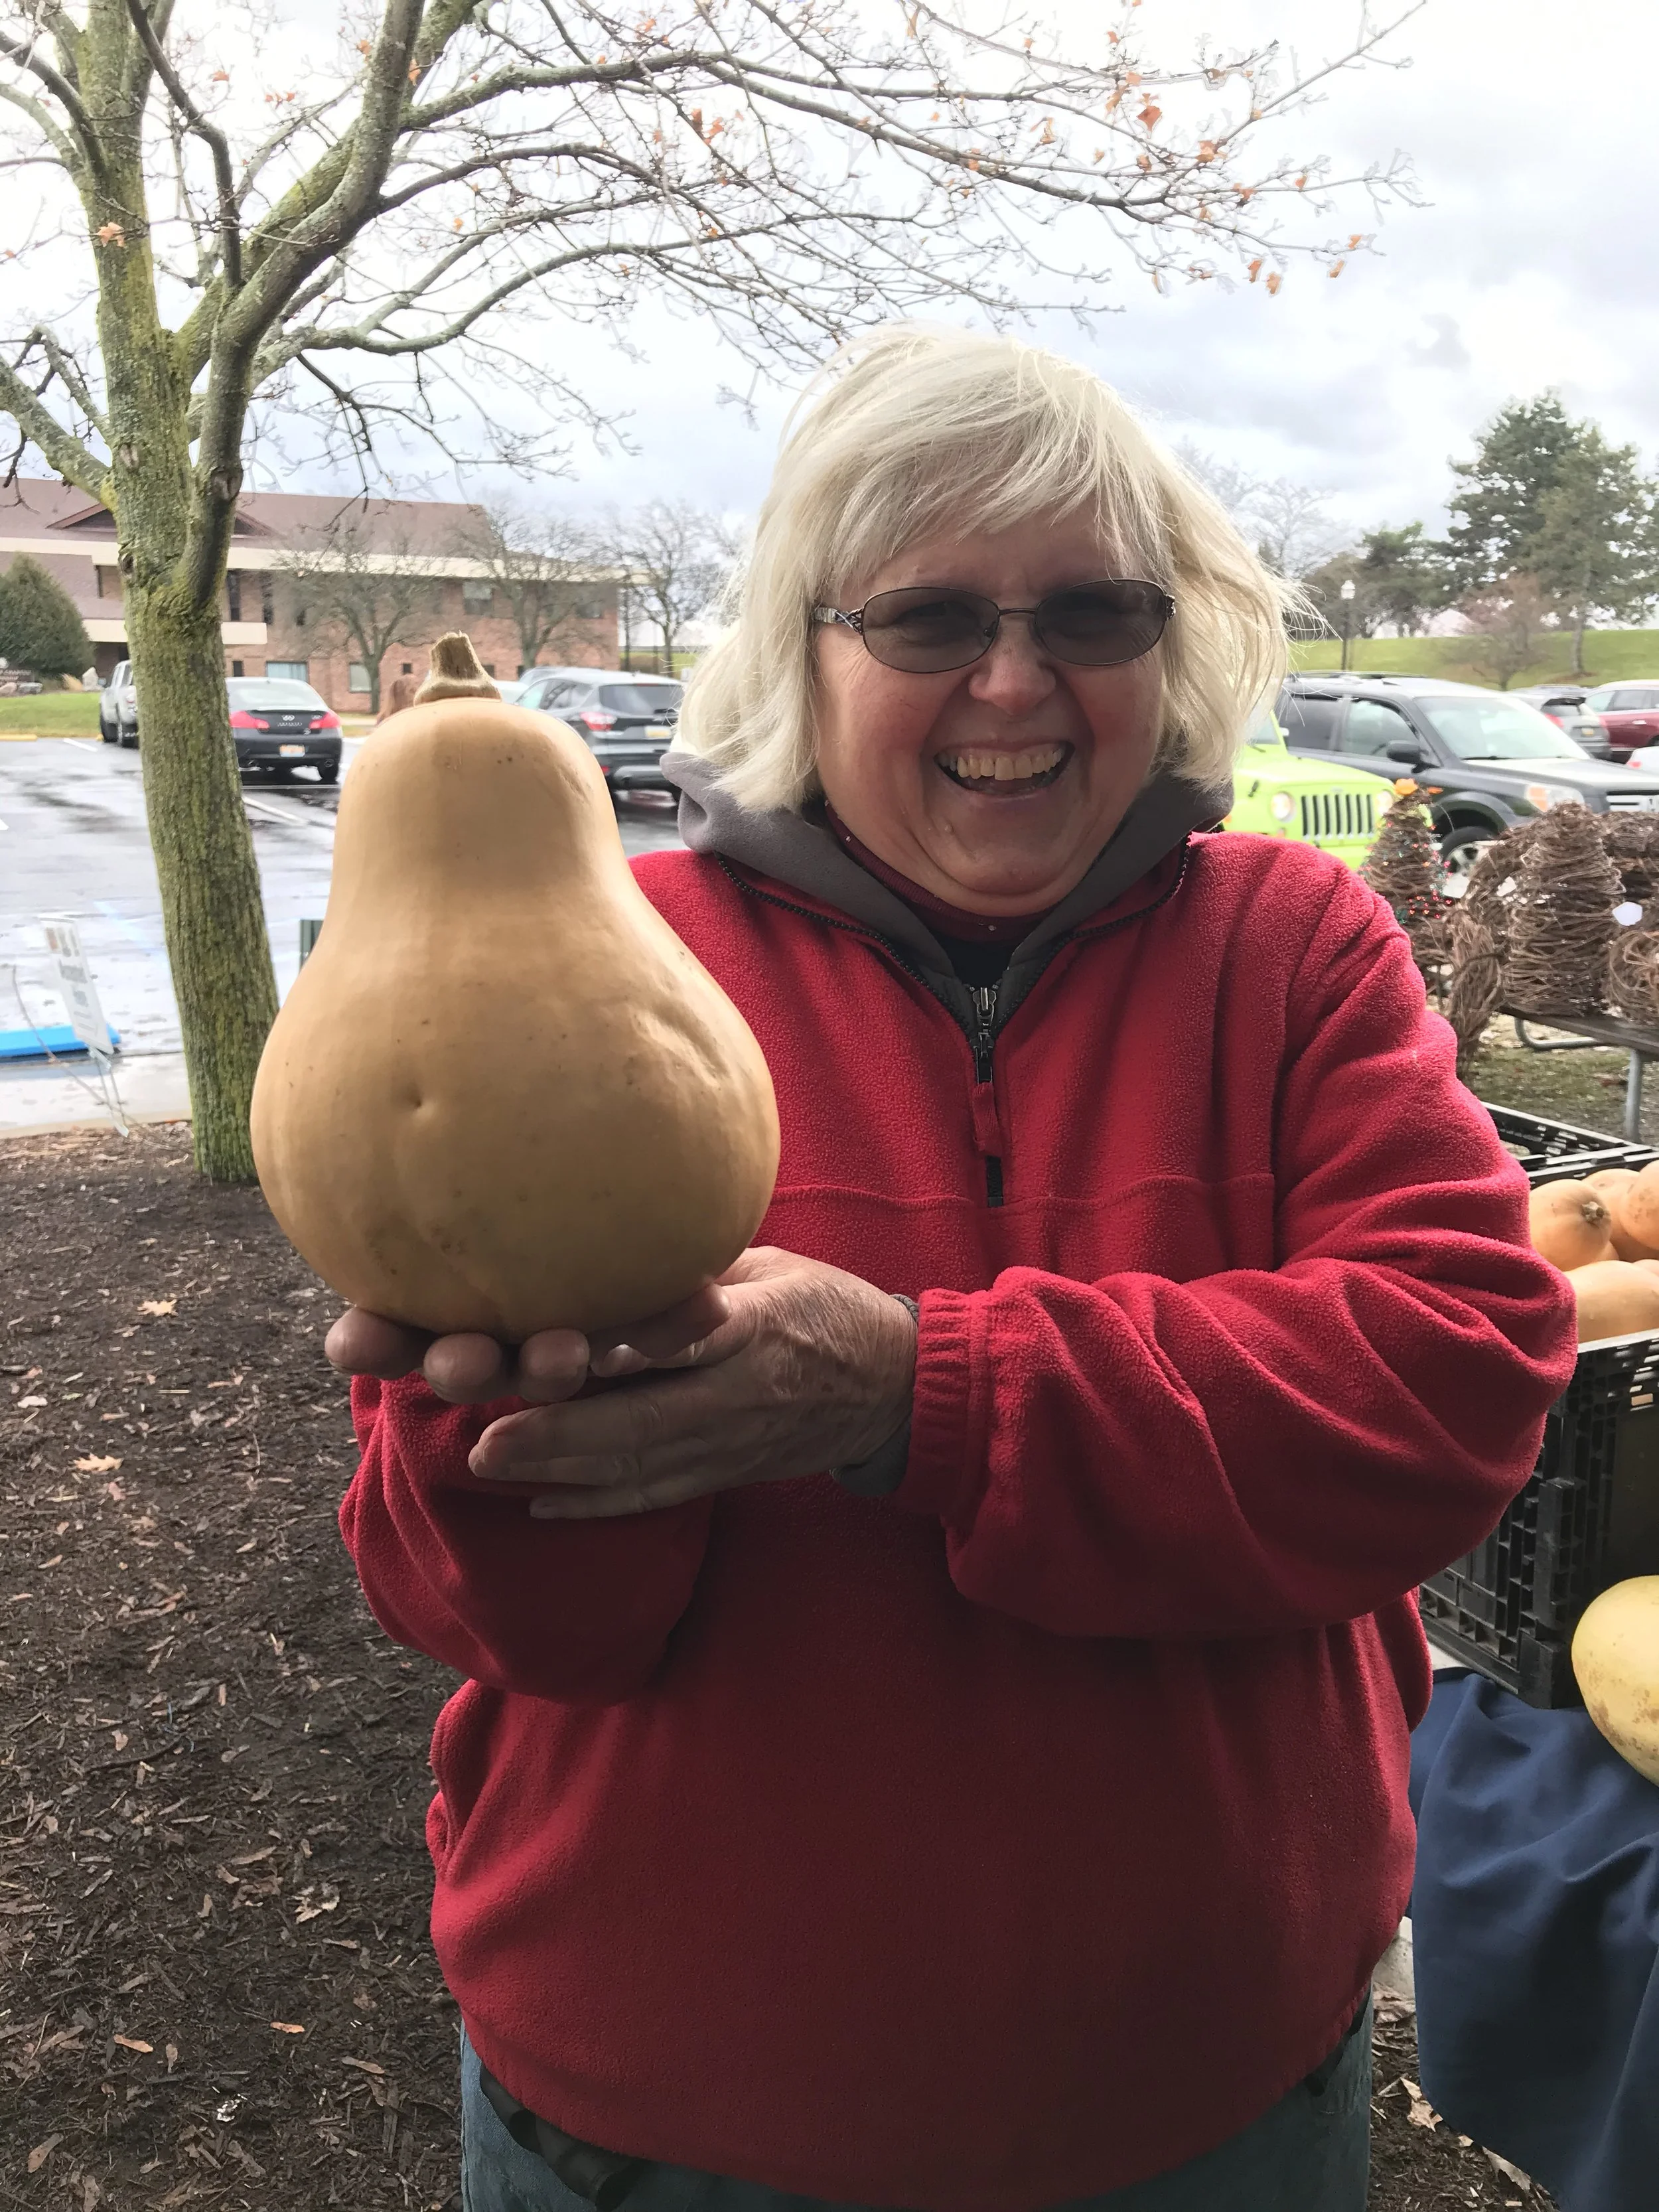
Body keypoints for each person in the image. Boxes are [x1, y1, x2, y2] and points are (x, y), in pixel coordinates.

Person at [328, 326, 1578, 2212]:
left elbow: (1449, 1375)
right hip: (667, 2129)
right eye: (925, 620)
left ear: (1172, 642)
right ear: (801, 650)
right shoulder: (608, 961)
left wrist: (912, 1386)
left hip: (1214, 2106)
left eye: (1091, 608)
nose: (1018, 677)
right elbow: (505, 1622)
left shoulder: (1292, 944)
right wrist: (485, 1425)